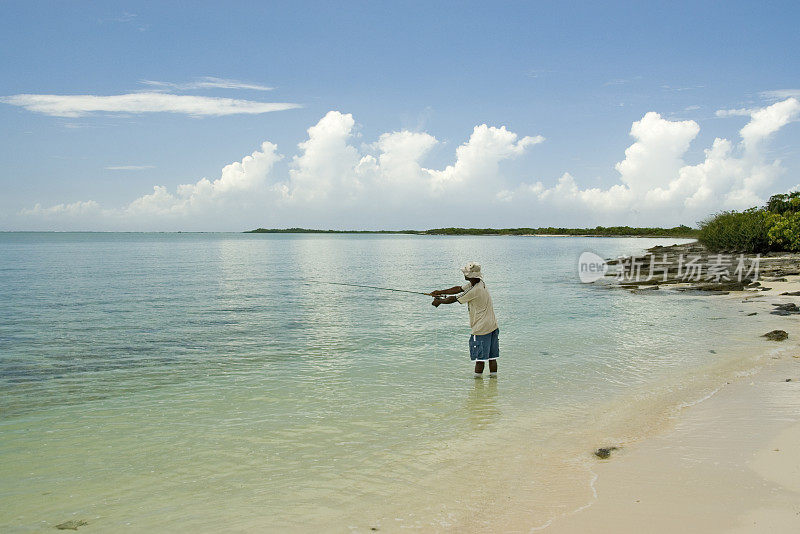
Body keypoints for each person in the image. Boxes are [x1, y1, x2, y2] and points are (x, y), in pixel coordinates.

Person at [430, 262, 499, 377]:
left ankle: (477, 388)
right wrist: (440, 292)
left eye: (465, 273)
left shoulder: (474, 290)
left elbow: (454, 299)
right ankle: (494, 381)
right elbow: (458, 289)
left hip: (481, 329)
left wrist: (439, 301)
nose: (464, 274)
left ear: (470, 276)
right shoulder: (479, 283)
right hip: (492, 326)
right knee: (492, 358)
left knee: (479, 360)